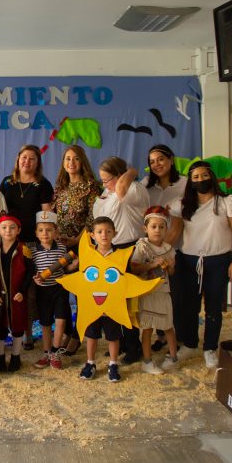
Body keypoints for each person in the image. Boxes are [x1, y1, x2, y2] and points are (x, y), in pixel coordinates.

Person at [168, 161, 232, 368]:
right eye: (196, 177)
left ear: (211, 177)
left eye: (204, 176)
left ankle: (210, 348)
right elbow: (174, 233)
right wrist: (155, 247)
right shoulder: (182, 205)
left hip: (218, 261)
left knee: (213, 306)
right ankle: (191, 343)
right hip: (188, 261)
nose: (200, 180)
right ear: (190, 181)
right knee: (188, 307)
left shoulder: (227, 202)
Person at [93, 156, 149, 364]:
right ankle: (121, 343)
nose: (105, 184)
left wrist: (132, 171)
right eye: (103, 180)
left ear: (120, 175)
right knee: (115, 300)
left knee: (129, 302)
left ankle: (134, 347)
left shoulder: (133, 189)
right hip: (111, 250)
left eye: (107, 179)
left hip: (130, 248)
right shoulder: (106, 193)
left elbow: (122, 188)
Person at [0, 144, 54, 350]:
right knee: (9, 288)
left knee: (28, 291)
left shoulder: (43, 185)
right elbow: (1, 212)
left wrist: (44, 240)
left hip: (32, 244)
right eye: (24, 158)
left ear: (37, 162)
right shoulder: (6, 182)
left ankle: (28, 334)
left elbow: (46, 216)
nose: (27, 162)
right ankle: (6, 333)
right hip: (9, 242)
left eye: (32, 158)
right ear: (18, 159)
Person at [52, 145, 101, 355]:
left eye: (75, 159)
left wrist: (76, 240)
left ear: (82, 162)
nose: (71, 163)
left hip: (82, 246)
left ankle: (78, 336)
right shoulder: (60, 187)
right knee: (62, 291)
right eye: (67, 159)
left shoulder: (91, 187)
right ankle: (67, 330)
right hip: (60, 247)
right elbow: (53, 216)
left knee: (82, 293)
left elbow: (92, 219)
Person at [141, 144, 187, 352]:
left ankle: (180, 337)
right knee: (154, 294)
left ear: (170, 159)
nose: (156, 164)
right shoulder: (145, 186)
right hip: (151, 252)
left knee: (174, 295)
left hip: (178, 248)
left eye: (160, 159)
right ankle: (160, 336)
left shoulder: (185, 185)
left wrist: (166, 248)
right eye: (152, 161)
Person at [130, 207, 178, 375]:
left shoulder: (169, 249)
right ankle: (147, 361)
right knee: (147, 328)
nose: (157, 230)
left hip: (163, 291)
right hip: (148, 292)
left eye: (161, 227)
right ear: (146, 228)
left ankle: (173, 357)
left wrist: (169, 266)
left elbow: (170, 273)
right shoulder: (142, 246)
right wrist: (152, 264)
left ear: (166, 229)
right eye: (153, 226)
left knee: (168, 326)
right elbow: (134, 268)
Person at [78, 217, 124, 383]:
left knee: (113, 336)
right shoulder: (87, 255)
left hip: (113, 305)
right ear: (92, 235)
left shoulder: (121, 255)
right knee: (91, 335)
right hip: (92, 305)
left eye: (108, 231)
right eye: (99, 232)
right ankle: (90, 363)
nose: (104, 235)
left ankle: (113, 363)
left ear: (114, 233)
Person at [30, 211, 76, 370]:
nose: (45, 234)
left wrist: (74, 265)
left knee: (61, 320)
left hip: (60, 288)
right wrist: (35, 277)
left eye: (49, 230)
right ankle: (46, 352)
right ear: (36, 233)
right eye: (41, 230)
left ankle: (56, 353)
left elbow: (66, 268)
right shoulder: (33, 251)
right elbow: (32, 271)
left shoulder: (62, 248)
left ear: (56, 232)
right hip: (43, 291)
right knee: (45, 323)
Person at [0, 214, 34, 372]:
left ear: (19, 230)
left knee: (17, 325)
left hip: (16, 296)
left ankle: (15, 356)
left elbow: (30, 273)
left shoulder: (24, 250)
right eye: (4, 227)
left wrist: (22, 290)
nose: (8, 231)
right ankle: (0, 356)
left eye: (12, 227)